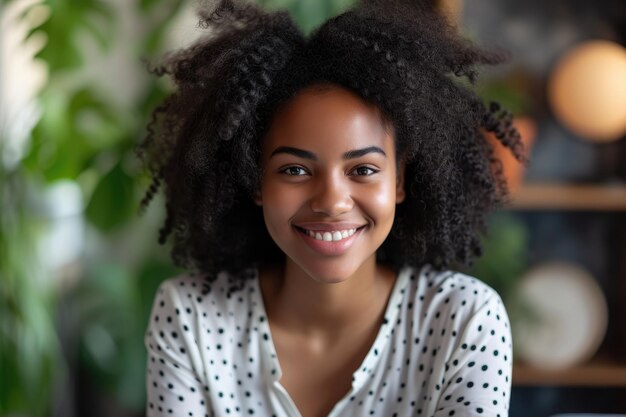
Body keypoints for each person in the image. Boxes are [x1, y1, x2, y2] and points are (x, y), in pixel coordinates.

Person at [138, 0, 525, 416]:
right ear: (255, 181)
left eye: (362, 169)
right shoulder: (191, 318)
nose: (331, 201)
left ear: (398, 180)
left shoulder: (464, 322)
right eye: (294, 169)